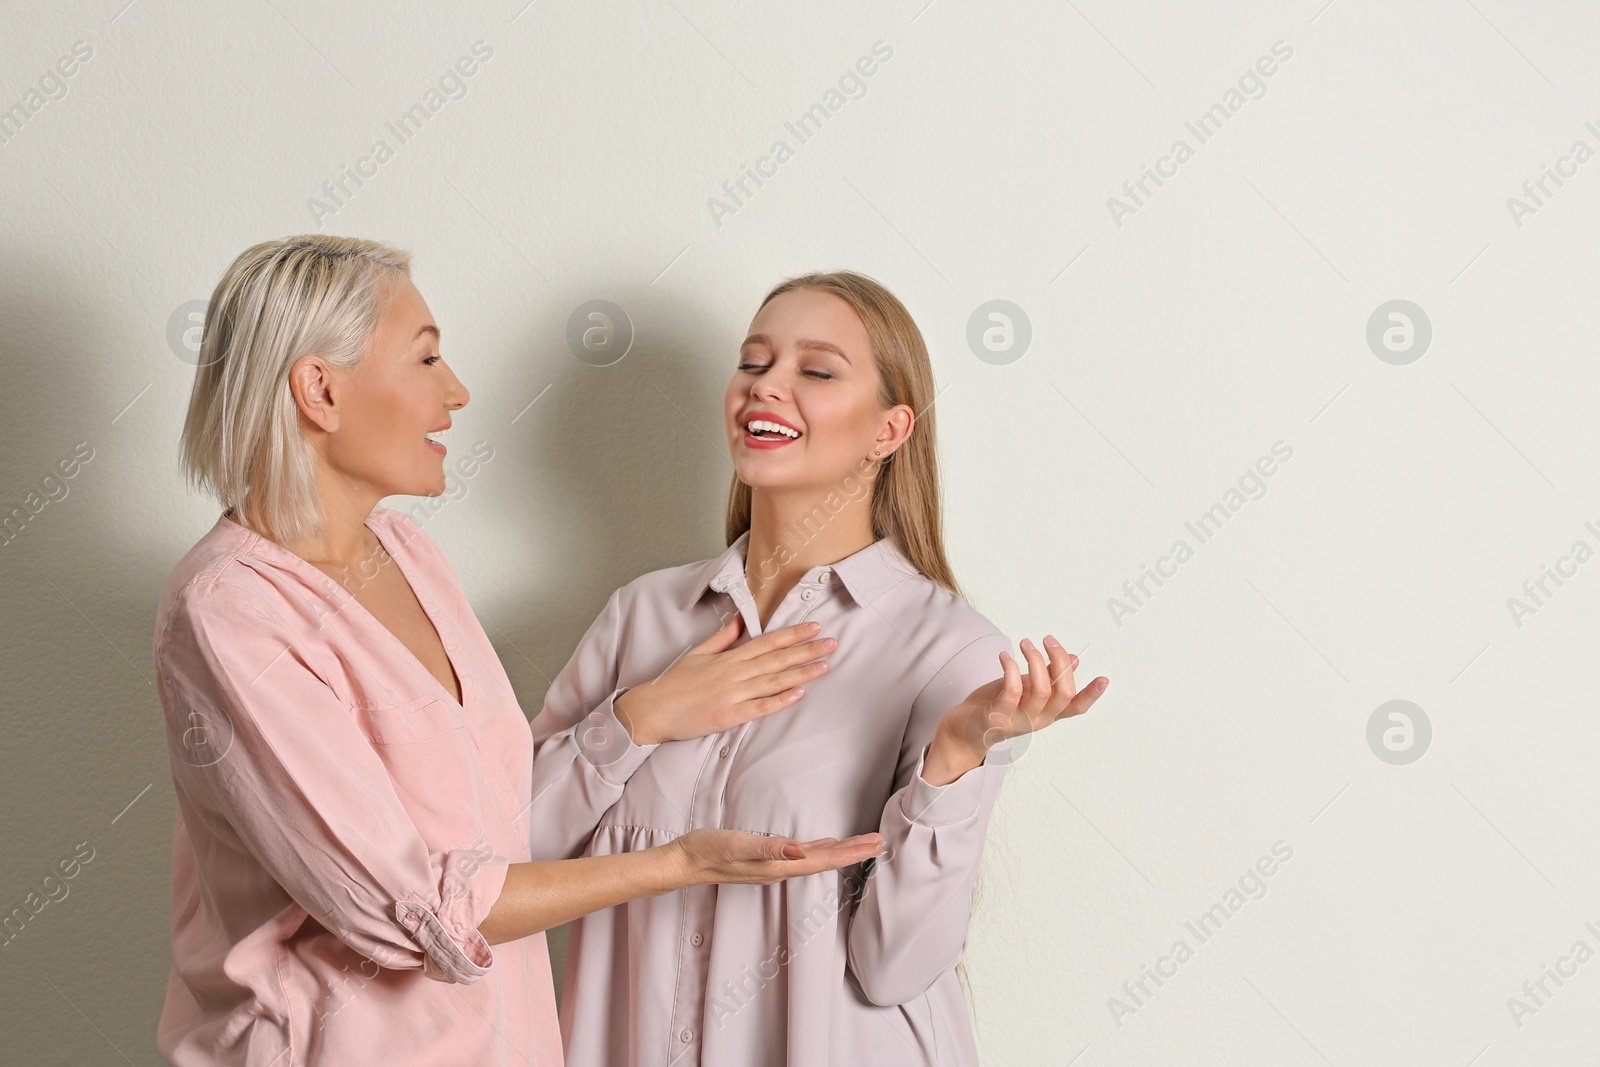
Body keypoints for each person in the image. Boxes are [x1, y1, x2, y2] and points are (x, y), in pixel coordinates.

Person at [154, 235, 882, 1067]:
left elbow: (497, 827)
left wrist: (640, 717)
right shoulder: (229, 609)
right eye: (426, 359)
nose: (456, 391)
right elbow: (414, 908)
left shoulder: (410, 555)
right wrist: (679, 861)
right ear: (320, 389)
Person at [528, 270, 1110, 1065]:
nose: (767, 387)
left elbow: (897, 965)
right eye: (754, 362)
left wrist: (954, 760)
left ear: (890, 429)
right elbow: (504, 861)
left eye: (816, 370)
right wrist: (640, 718)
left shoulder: (949, 651)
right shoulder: (643, 615)